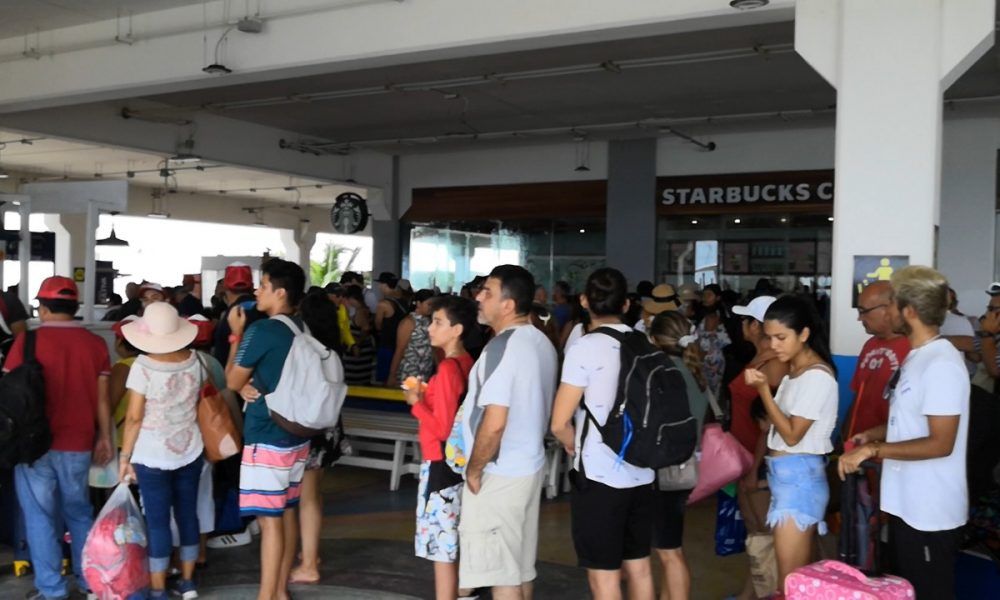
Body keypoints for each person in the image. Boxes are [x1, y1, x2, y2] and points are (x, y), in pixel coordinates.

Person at [839, 266, 969, 600]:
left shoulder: (941, 364)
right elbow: (911, 422)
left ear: (908, 310)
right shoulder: (917, 356)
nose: (888, 311)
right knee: (904, 589)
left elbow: (941, 443)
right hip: (906, 503)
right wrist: (873, 435)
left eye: (893, 304)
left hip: (929, 511)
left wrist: (874, 450)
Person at [550, 268, 656, 600]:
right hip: (643, 470)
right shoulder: (645, 343)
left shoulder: (585, 347)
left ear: (584, 301)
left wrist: (572, 445)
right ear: (626, 304)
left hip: (599, 475)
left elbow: (559, 422)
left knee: (604, 576)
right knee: (640, 567)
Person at [5, 276, 113, 600]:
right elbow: (103, 400)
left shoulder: (26, 342)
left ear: (43, 308)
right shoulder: (95, 344)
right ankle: (89, 582)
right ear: (75, 306)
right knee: (79, 512)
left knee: (39, 517)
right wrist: (105, 437)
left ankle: (52, 590)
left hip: (33, 446)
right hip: (79, 443)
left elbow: (11, 396)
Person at [459, 265, 558, 600]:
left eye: (487, 292)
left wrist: (474, 469)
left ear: (508, 304)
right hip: (527, 465)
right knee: (518, 569)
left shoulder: (503, 347)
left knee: (501, 574)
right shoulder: (540, 342)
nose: (478, 297)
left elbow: (495, 420)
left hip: (499, 473)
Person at [225, 258, 310, 600]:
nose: (257, 292)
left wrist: (236, 334)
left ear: (280, 292)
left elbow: (232, 379)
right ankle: (279, 591)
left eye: (262, 285)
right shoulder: (301, 328)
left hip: (266, 436)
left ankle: (266, 596)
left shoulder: (261, 331)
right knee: (286, 511)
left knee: (268, 519)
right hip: (296, 434)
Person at [744, 295, 838, 591]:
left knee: (790, 583)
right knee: (794, 580)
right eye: (769, 337)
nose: (774, 345)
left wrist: (763, 390)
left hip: (799, 483)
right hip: (788, 479)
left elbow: (792, 435)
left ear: (804, 334)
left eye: (781, 338)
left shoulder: (817, 377)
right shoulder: (795, 373)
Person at [118, 302, 203, 600]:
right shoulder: (196, 360)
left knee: (157, 522)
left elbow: (134, 417)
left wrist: (125, 457)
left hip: (152, 454)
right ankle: (188, 582)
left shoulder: (143, 366)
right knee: (188, 515)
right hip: (190, 448)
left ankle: (157, 588)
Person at [405, 295, 477, 600]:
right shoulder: (466, 362)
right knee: (451, 538)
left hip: (440, 463)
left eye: (438, 322)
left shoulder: (448, 368)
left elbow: (443, 428)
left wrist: (416, 403)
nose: (430, 328)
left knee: (442, 547)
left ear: (457, 330)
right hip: (456, 463)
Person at [726, 295, 787, 600]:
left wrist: (754, 468)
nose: (741, 325)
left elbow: (769, 422)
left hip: (758, 459)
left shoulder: (774, 365)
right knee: (756, 534)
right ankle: (750, 593)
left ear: (756, 326)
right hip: (744, 456)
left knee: (766, 534)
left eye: (745, 320)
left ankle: (768, 593)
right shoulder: (758, 358)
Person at [648, 311, 711, 600]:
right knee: (669, 549)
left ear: (655, 340)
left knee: (670, 552)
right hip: (685, 466)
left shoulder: (664, 374)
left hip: (667, 469)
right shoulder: (693, 371)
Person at [845, 282, 910, 440]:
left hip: (889, 446)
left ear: (888, 308)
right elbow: (858, 395)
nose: (860, 318)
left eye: (864, 311)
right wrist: (846, 433)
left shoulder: (912, 349)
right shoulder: (870, 345)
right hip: (859, 443)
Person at [389, 289, 437, 388]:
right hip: (409, 370)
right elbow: (400, 350)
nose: (431, 308)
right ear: (419, 303)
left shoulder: (429, 321)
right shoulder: (409, 322)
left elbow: (432, 348)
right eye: (429, 304)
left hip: (425, 370)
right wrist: (392, 375)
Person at [697, 284, 732, 396]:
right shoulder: (711, 314)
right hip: (710, 359)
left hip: (711, 361)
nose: (705, 298)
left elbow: (705, 344)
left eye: (709, 295)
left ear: (718, 298)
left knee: (709, 393)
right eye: (704, 295)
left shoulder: (715, 317)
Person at [374, 272, 408, 383]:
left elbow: (378, 324)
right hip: (402, 344)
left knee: (384, 378)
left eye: (380, 284)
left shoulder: (383, 304)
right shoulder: (404, 300)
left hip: (387, 345)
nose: (379, 287)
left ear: (384, 285)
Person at [342, 286, 376, 385]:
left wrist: (356, 345)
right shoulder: (366, 309)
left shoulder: (360, 311)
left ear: (351, 298)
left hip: (359, 351)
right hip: (364, 350)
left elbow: (366, 329)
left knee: (356, 380)